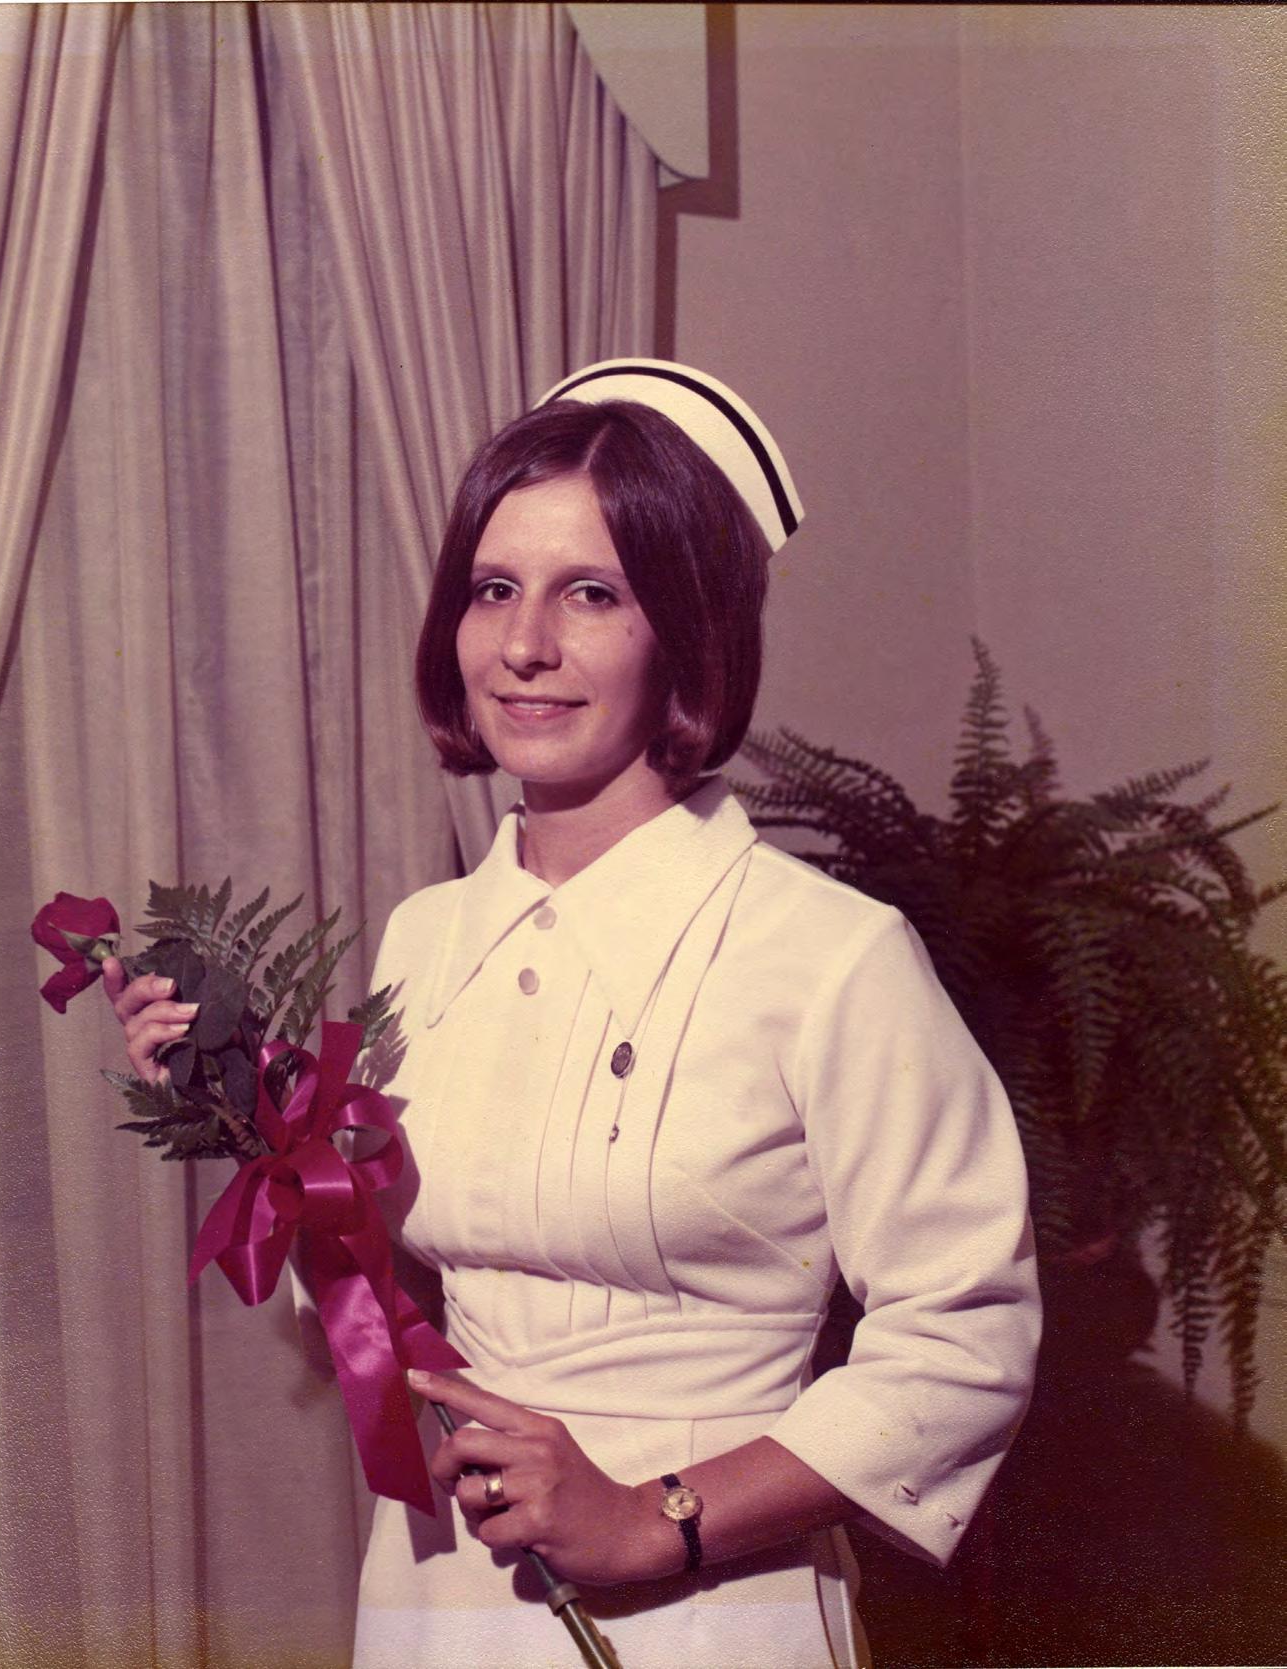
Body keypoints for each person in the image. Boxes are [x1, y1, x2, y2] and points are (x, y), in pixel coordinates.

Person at [105, 360, 1040, 1669]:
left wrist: (656, 1521)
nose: (524, 646)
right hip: (444, 1591)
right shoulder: (428, 937)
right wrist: (266, 1125)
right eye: (494, 589)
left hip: (713, 1604)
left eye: (591, 593)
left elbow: (965, 1338)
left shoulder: (830, 956)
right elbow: (389, 1312)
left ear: (688, 636)